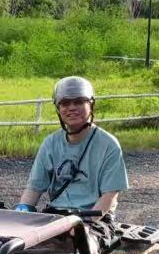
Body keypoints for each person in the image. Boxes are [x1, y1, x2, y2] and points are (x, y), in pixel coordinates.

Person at [15, 75, 128, 215]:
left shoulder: (108, 145)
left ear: (91, 104)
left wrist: (85, 224)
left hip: (94, 218)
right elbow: (34, 188)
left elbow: (109, 196)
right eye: (65, 103)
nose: (72, 108)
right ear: (58, 108)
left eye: (79, 102)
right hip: (56, 215)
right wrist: (22, 210)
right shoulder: (50, 143)